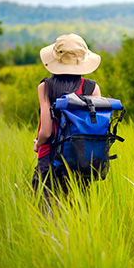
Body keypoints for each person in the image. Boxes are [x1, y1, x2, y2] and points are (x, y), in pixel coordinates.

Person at [32, 33, 102, 203]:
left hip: (49, 158)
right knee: (78, 215)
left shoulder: (45, 87)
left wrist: (38, 144)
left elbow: (46, 131)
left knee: (46, 217)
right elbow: (96, 128)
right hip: (81, 160)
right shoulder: (92, 88)